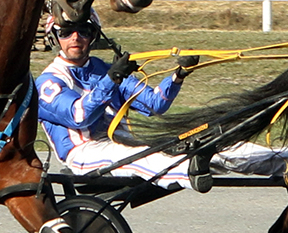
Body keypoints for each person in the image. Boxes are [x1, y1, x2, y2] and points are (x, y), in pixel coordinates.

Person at [36, 10, 288, 191]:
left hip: (124, 143)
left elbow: (155, 104)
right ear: (54, 37)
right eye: (66, 32)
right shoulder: (49, 81)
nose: (75, 38)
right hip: (84, 153)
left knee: (215, 145)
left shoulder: (103, 68)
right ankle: (189, 167)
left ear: (93, 35)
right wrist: (111, 78)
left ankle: (281, 161)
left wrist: (178, 75)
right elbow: (79, 116)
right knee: (146, 153)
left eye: (84, 31)